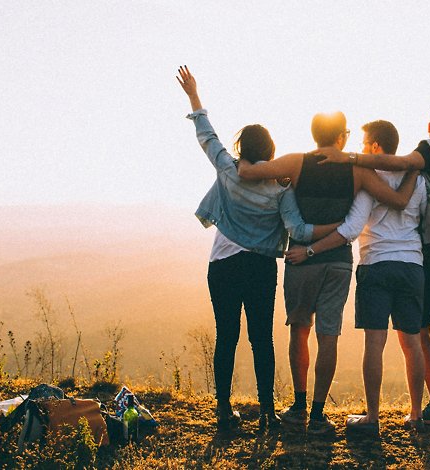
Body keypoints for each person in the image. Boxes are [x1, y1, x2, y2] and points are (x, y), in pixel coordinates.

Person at [286, 120, 430, 433]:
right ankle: (417, 415)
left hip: (376, 265)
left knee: (374, 344)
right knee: (412, 343)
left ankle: (373, 418)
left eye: (366, 143)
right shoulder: (418, 180)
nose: (363, 149)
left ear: (376, 147)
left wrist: (310, 249)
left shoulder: (369, 181)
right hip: (412, 268)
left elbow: (351, 229)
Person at [176, 66, 340, 433]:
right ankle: (268, 412)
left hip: (222, 264)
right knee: (261, 338)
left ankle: (223, 411)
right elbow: (297, 229)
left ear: (241, 148)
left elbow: (207, 136)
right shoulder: (280, 188)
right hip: (261, 267)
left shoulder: (229, 170)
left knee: (227, 336)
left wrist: (194, 95)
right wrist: (340, 229)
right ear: (271, 151)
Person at [237, 113, 418, 434]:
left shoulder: (295, 163)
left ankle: (298, 406)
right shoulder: (357, 171)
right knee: (328, 335)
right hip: (337, 262)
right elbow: (398, 201)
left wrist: (242, 158)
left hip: (300, 262)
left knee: (299, 330)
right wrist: (415, 168)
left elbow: (250, 172)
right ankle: (319, 414)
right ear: (341, 139)